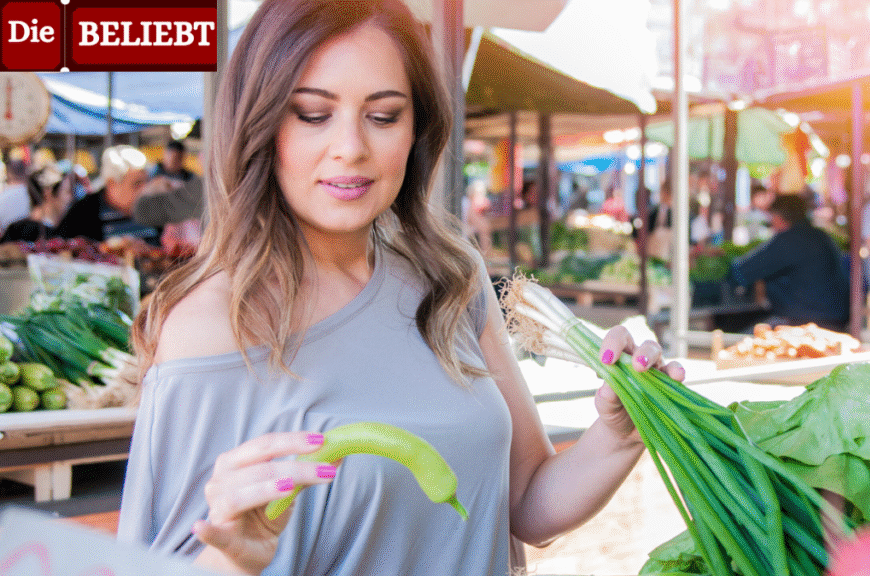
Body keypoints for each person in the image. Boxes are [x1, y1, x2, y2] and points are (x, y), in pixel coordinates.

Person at [118, 2, 685, 576]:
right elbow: (159, 563)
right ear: (260, 125)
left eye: (384, 116)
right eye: (313, 114)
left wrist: (619, 434)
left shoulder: (451, 279)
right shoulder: (213, 324)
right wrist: (229, 560)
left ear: (417, 130)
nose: (351, 147)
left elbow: (527, 503)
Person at [728, 194, 850, 332]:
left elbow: (742, 271)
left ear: (778, 217)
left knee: (743, 338)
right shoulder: (821, 235)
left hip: (807, 321)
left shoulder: (790, 240)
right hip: (834, 317)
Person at [55, 145, 161, 247]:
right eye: (137, 183)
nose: (144, 189)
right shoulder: (83, 213)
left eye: (147, 182)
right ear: (112, 184)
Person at [0, 164, 74, 243]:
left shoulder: (15, 229)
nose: (71, 198)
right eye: (67, 192)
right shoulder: (43, 234)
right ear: (48, 193)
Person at [0, 157, 30, 236]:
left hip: (8, 241)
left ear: (8, 174)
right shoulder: (35, 196)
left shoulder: (2, 198)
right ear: (25, 172)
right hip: (33, 240)